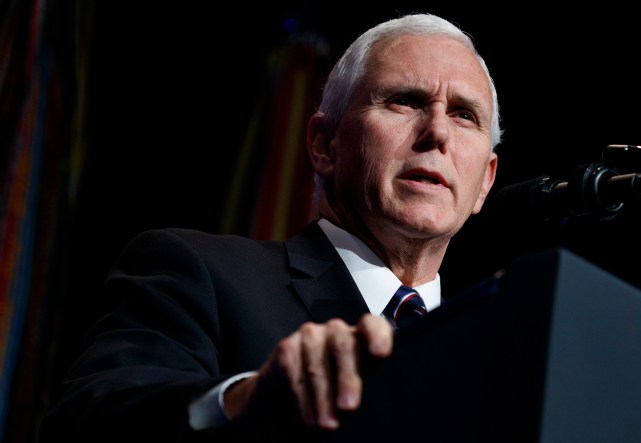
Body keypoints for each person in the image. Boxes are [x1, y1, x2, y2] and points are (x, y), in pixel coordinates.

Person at [39, 12, 503, 442]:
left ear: (485, 181)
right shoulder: (198, 272)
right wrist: (244, 400)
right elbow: (85, 420)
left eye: (465, 114)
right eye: (405, 101)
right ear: (324, 145)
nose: (438, 132)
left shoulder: (498, 357)